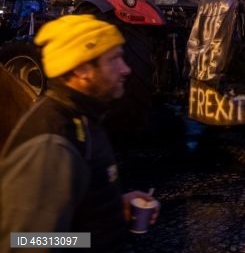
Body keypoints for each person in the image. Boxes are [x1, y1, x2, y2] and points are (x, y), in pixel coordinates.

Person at [0, 14, 160, 252]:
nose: (126, 69)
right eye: (114, 59)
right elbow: (25, 241)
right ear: (83, 69)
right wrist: (88, 240)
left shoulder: (84, 117)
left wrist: (114, 207)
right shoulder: (50, 144)